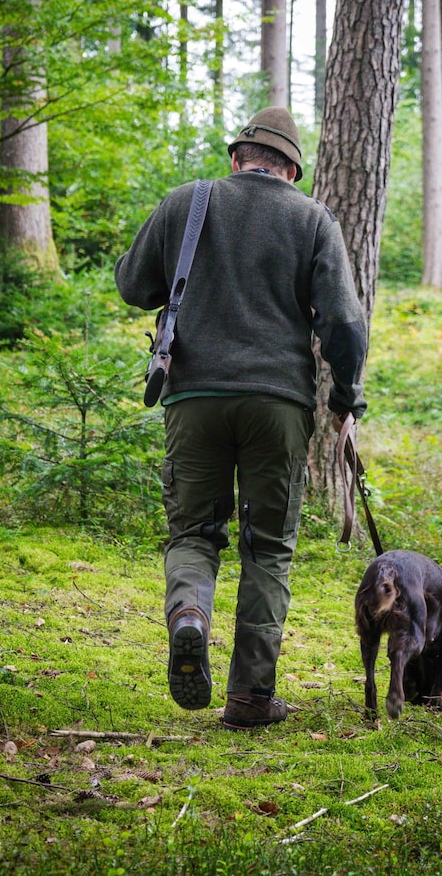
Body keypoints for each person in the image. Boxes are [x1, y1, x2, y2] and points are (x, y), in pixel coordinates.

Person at [114, 107, 367, 730]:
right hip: (278, 406)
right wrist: (345, 400)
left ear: (237, 158)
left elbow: (132, 285)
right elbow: (345, 325)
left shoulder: (186, 202)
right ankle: (251, 698)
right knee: (269, 548)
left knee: (194, 534)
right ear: (293, 168)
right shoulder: (313, 219)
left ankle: (190, 616)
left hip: (193, 399)